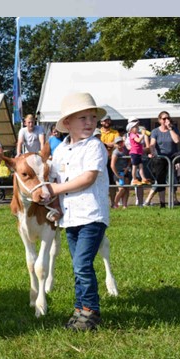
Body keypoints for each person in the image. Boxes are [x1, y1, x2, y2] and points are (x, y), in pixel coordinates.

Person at [33, 92, 113, 331]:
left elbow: (88, 178)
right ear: (67, 123)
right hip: (70, 218)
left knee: (82, 264)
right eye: (82, 118)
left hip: (92, 215)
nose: (89, 122)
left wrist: (56, 188)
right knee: (78, 265)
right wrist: (53, 203)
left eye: (92, 117)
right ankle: (80, 309)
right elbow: (54, 179)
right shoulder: (60, 151)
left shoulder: (95, 146)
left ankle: (90, 312)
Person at [150, 111, 180, 203]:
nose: (167, 120)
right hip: (160, 158)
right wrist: (153, 152)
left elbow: (176, 141)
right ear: (160, 120)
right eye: (164, 119)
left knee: (173, 179)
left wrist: (170, 129)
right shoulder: (155, 131)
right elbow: (152, 144)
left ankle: (173, 201)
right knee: (160, 180)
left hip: (172, 158)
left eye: (168, 118)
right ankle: (162, 202)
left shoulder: (173, 129)